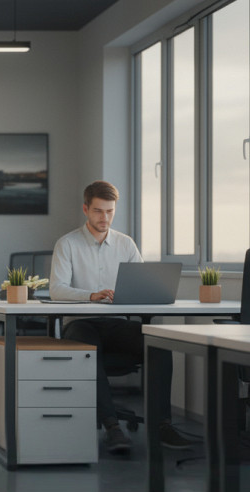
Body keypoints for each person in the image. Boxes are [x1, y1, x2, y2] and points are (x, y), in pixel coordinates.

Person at [50, 180, 192, 454]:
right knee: (89, 349)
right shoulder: (67, 244)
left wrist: (147, 293)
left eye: (110, 211)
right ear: (85, 209)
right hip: (79, 322)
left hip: (117, 323)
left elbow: (143, 285)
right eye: (98, 211)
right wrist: (92, 296)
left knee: (159, 345)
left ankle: (162, 425)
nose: (104, 218)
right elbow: (57, 290)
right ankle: (112, 427)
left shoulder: (125, 244)